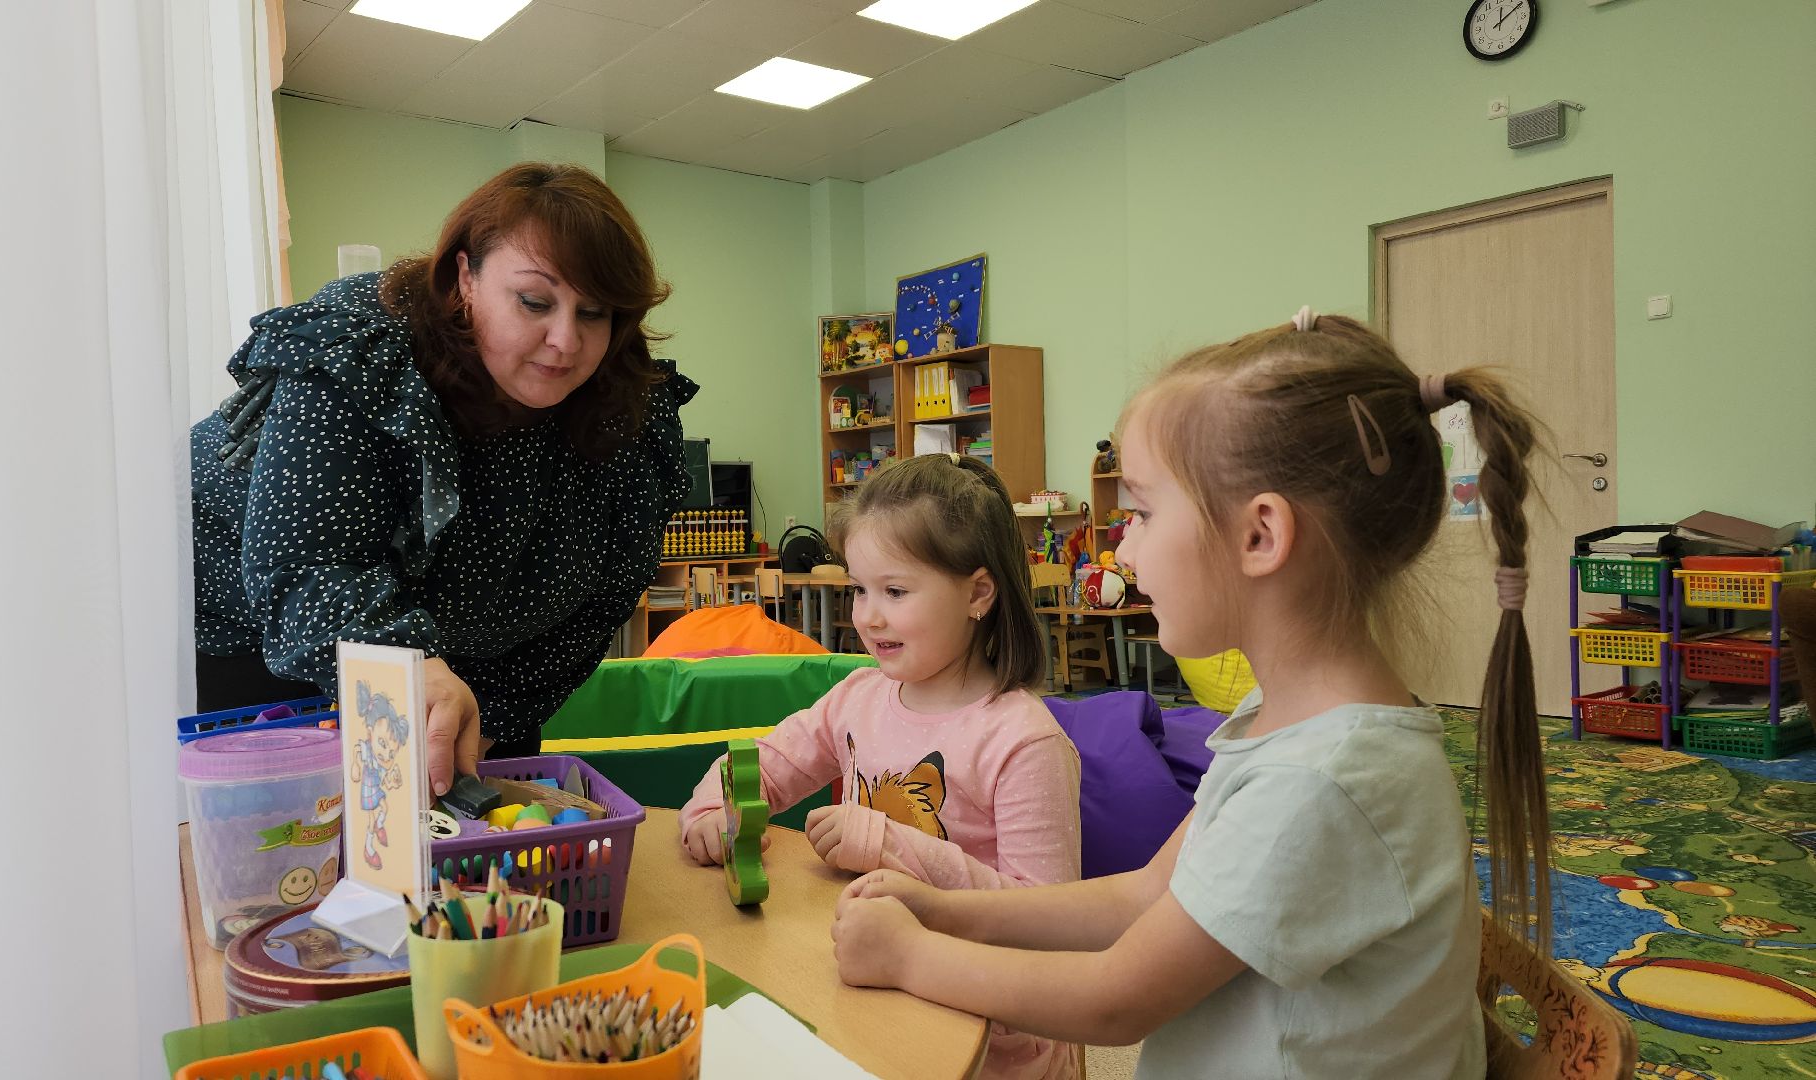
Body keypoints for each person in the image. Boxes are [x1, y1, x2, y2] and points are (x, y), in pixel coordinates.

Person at [829, 309, 1553, 1079]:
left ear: (1259, 536)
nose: (1124, 547)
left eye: (1141, 513)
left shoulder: (1320, 781)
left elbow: (1115, 1001)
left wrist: (911, 958)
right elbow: (1144, 895)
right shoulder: (1283, 719)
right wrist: (946, 910)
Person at [192, 162, 692, 795]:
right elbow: (309, 567)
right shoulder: (363, 349)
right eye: (534, 302)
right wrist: (406, 666)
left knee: (477, 824)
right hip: (266, 634)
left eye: (594, 313)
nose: (566, 340)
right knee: (296, 833)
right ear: (466, 278)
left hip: (469, 659)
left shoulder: (628, 411)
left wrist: (497, 715)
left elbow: (605, 595)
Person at [679, 453, 1081, 1079]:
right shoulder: (858, 697)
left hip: (992, 1033)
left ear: (978, 593)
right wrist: (713, 807)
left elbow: (1046, 926)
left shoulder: (1024, 741)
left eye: (894, 591)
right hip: (872, 982)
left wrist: (886, 842)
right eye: (859, 589)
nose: (867, 615)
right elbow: (768, 763)